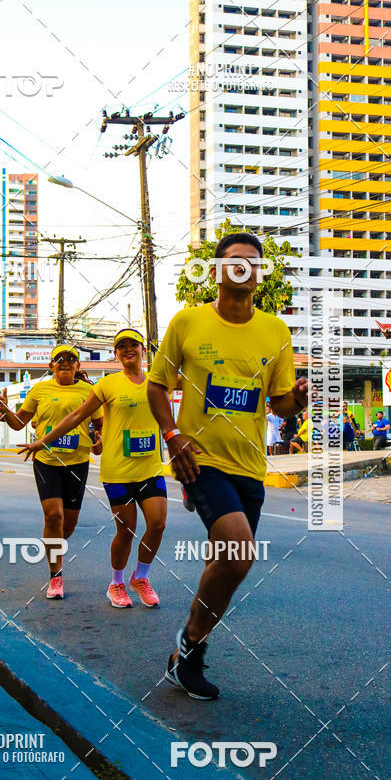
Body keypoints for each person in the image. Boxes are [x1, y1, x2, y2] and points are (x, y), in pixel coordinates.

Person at [147, 231, 308, 700]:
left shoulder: (275, 331)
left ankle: (187, 653)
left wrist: (296, 399)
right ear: (217, 271)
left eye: (254, 262)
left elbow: (278, 405)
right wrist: (173, 437)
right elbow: (158, 386)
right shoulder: (188, 323)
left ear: (260, 274)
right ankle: (189, 644)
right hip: (200, 459)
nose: (246, 267)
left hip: (248, 465)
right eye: (235, 261)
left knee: (229, 565)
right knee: (240, 548)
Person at [19, 329, 165, 609]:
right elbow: (76, 417)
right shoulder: (106, 385)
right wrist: (42, 442)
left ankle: (141, 577)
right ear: (115, 353)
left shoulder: (157, 381)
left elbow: (178, 405)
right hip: (117, 469)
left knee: (157, 523)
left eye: (132, 344)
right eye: (121, 346)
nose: (127, 350)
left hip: (150, 466)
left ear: (143, 349)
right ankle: (115, 583)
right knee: (125, 529)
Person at [0, 345, 103, 600]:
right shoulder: (39, 390)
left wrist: (99, 438)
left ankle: (52, 543)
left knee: (69, 523)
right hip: (46, 460)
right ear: (51, 365)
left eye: (71, 359)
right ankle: (56, 576)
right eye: (59, 359)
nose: (65, 362)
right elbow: (19, 422)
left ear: (78, 365)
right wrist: (5, 410)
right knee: (53, 516)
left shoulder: (89, 391)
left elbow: (100, 424)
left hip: (77, 461)